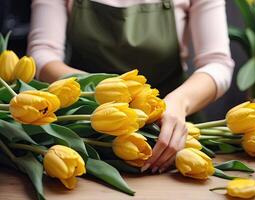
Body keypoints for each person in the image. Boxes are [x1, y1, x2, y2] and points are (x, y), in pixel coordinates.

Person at [28, 0, 234, 173]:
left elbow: (217, 62)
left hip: (172, 139)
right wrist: (103, 89)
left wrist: (179, 102)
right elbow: (42, 53)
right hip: (86, 138)